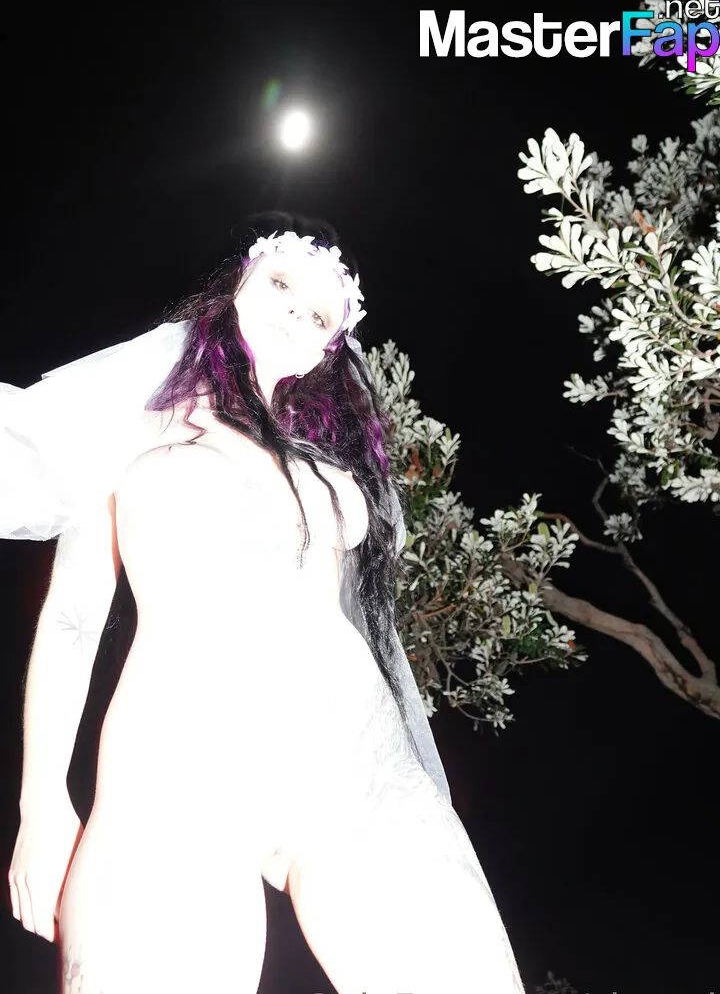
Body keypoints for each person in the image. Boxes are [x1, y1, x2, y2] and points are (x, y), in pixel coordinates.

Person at [4, 212, 524, 993]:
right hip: (179, 766)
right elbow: (75, 617)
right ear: (236, 286)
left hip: (353, 764)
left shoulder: (331, 464)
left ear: (331, 345)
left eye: (320, 315)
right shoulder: (137, 426)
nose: (296, 314)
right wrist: (43, 803)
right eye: (281, 284)